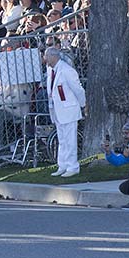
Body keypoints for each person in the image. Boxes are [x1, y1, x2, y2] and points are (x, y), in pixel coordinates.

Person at [44, 47, 85, 177]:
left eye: (47, 56)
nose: (45, 59)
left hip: (69, 109)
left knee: (70, 139)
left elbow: (78, 90)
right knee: (62, 139)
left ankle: (73, 166)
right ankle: (63, 165)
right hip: (57, 110)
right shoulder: (51, 70)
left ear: (53, 56)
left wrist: (84, 104)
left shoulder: (67, 70)